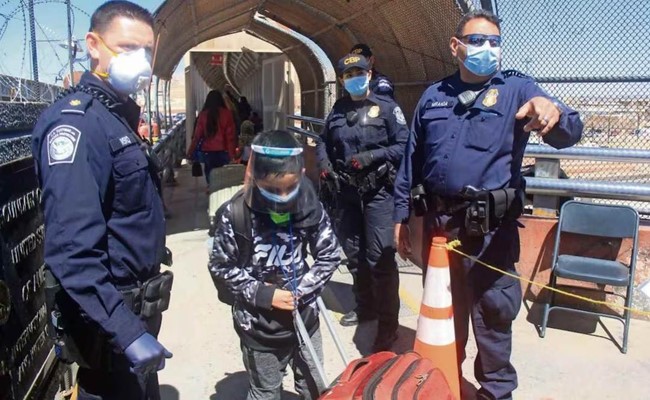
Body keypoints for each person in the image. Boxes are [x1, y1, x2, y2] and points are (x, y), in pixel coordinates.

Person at [393, 10, 583, 400]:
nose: (487, 49)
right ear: (455, 46)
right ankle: (443, 384)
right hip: (440, 229)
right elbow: (411, 161)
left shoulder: (517, 88)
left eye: (494, 42)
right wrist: (401, 217)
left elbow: (568, 132)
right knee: (443, 314)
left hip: (489, 232)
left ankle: (496, 392)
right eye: (477, 40)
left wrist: (555, 112)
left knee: (494, 316)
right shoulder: (434, 96)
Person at [31, 1, 174, 399]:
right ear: (93, 45)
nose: (140, 60)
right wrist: (128, 333)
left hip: (134, 320)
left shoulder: (115, 117)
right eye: (127, 48)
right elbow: (71, 251)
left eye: (146, 51)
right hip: (111, 332)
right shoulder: (77, 125)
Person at [209, 130, 341, 399]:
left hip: (305, 318)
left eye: (290, 188)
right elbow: (221, 266)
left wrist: (302, 292)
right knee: (265, 392)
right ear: (254, 177)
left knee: (315, 386)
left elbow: (329, 254)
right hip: (259, 328)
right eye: (271, 189)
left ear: (301, 174)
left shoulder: (309, 206)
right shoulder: (235, 214)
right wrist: (264, 294)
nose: (282, 196)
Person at [316, 54, 408, 351]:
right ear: (342, 80)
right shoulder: (338, 109)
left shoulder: (387, 108)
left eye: (359, 72)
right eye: (348, 74)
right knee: (355, 255)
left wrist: (372, 156)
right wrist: (324, 165)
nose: (354, 78)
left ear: (369, 75)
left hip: (378, 193)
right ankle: (365, 308)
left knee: (380, 258)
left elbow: (403, 145)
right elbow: (323, 141)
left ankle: (388, 324)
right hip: (346, 193)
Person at [186, 90, 237, 184]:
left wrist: (190, 152)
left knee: (210, 174)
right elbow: (230, 137)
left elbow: (197, 136)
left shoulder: (203, 115)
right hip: (224, 151)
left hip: (208, 152)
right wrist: (232, 155)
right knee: (223, 176)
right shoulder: (227, 114)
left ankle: (211, 188)